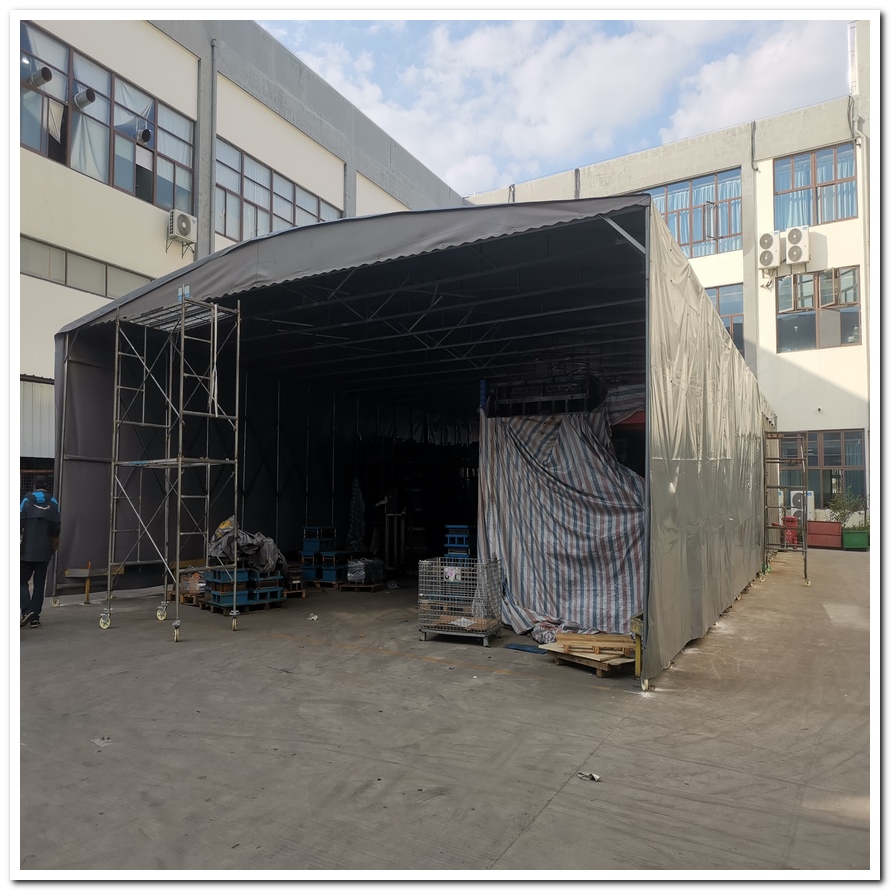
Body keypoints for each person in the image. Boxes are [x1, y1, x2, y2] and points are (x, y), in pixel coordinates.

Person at [20, 476, 61, 628]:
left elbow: (18, 521)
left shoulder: (26, 501)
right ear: (47, 486)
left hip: (26, 550)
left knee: (20, 581)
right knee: (39, 584)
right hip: (45, 550)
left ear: (34, 486)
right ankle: (35, 618)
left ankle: (27, 610)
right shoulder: (53, 503)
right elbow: (56, 528)